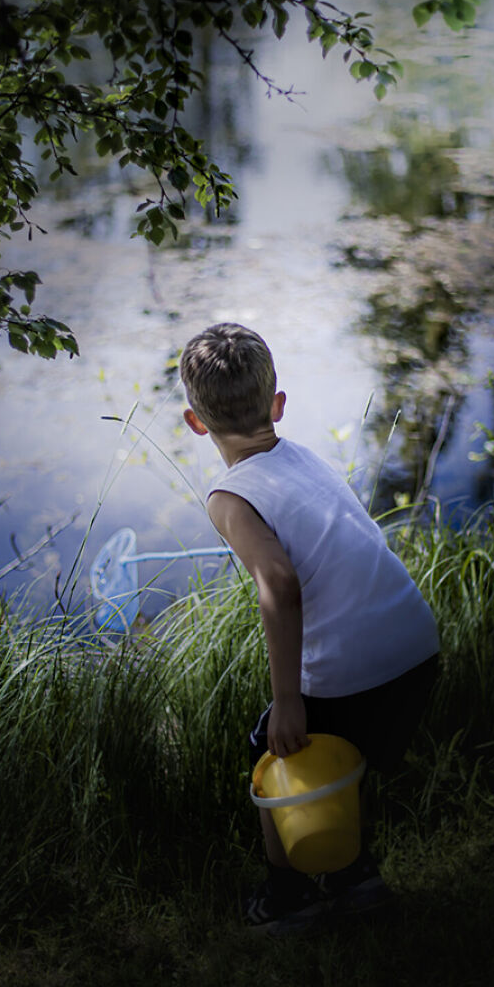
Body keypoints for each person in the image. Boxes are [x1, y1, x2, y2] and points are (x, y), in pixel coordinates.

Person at [180, 322, 439, 934]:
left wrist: (288, 700)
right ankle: (355, 877)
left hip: (359, 667)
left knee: (272, 747)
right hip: (417, 645)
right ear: (277, 406)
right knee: (338, 755)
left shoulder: (228, 495)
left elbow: (281, 584)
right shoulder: (304, 458)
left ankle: (289, 895)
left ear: (196, 422)